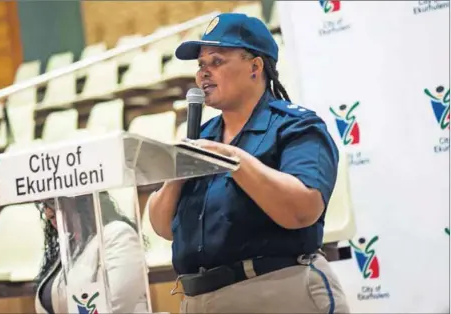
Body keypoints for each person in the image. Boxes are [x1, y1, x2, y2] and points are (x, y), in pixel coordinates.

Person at [148, 13, 350, 313]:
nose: (204, 73)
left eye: (216, 62)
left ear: (255, 67)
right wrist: (177, 172)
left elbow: (303, 210)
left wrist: (232, 159)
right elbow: (163, 227)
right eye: (201, 65)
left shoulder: (296, 127)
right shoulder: (200, 138)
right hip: (198, 300)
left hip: (277, 292)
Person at [34, 192, 149, 314]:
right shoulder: (72, 249)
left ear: (81, 201)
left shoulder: (119, 234)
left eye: (53, 202)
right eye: (45, 204)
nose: (47, 212)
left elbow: (113, 306)